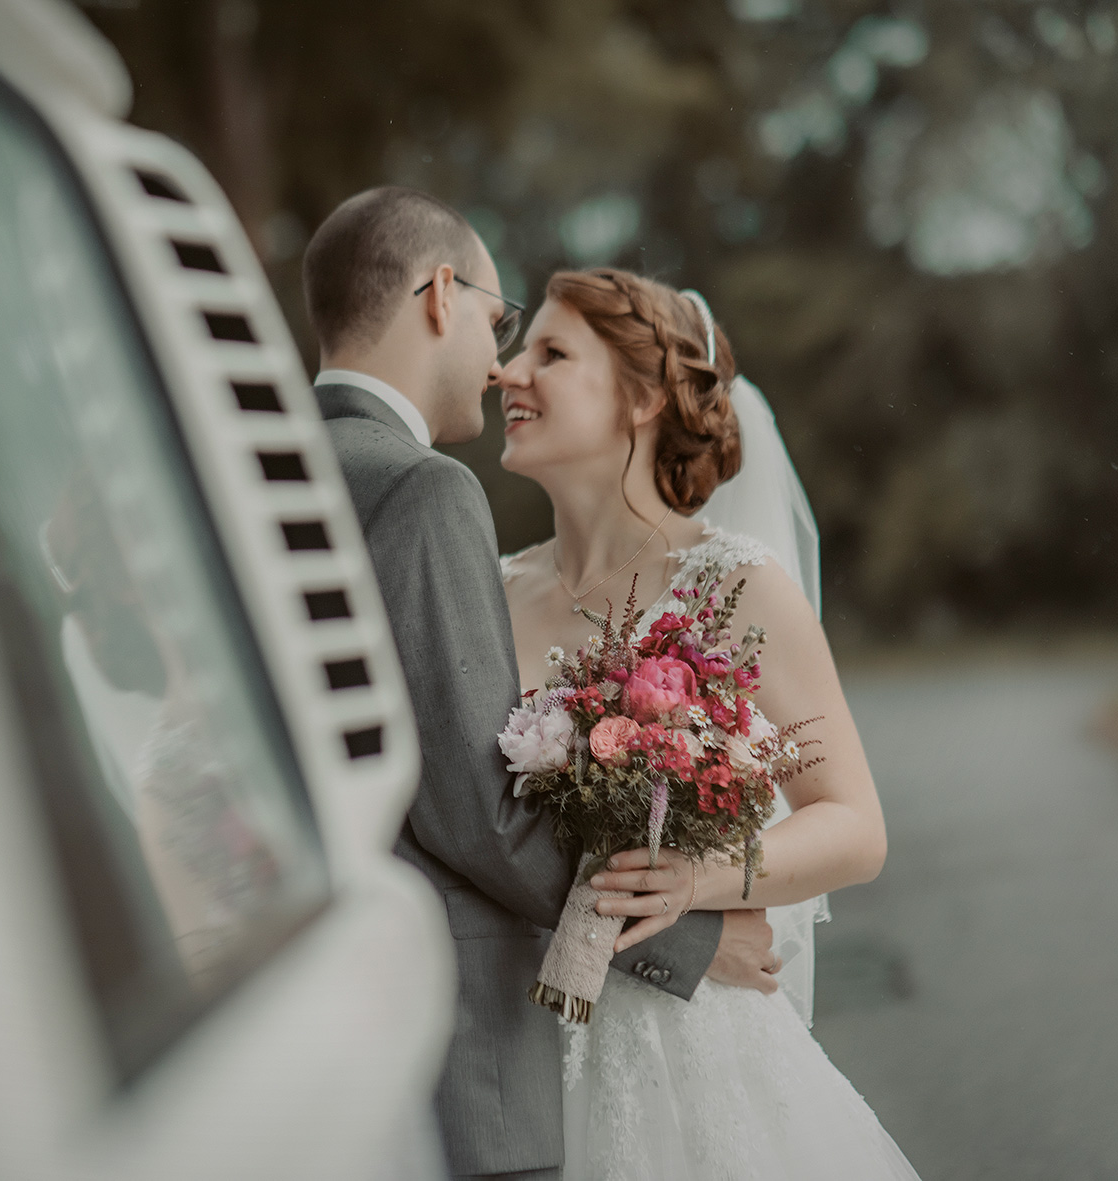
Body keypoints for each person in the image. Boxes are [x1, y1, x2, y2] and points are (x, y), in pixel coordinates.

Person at [302, 187, 784, 1181]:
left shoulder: (254, 468)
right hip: (465, 1060)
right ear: (439, 293)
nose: (496, 361)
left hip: (325, 1022)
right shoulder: (423, 487)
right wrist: (687, 942)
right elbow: (474, 811)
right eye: (496, 317)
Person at [498, 266, 918, 1178]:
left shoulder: (736, 584)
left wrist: (695, 881)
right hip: (522, 1047)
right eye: (516, 348)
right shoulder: (487, 593)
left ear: (643, 397)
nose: (507, 372)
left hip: (696, 1054)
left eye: (550, 353)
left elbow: (853, 824)